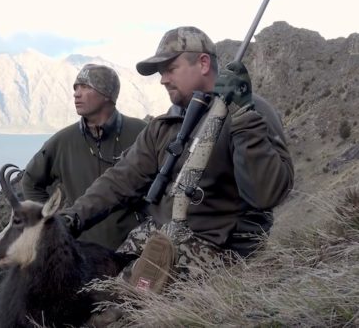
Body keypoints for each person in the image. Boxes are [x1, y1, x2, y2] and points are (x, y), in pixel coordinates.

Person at [60, 26, 295, 290]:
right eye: (161, 73)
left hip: (219, 246)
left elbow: (268, 194)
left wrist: (244, 121)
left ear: (203, 63)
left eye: (170, 69)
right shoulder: (165, 125)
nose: (163, 80)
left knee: (119, 308)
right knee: (88, 286)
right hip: (159, 234)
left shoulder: (250, 112)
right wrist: (72, 218)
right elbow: (120, 179)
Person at [21, 63, 147, 250]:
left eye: (85, 87)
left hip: (134, 253)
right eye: (75, 87)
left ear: (107, 94)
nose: (76, 93)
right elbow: (30, 181)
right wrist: (50, 220)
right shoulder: (63, 141)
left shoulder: (141, 132)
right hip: (82, 257)